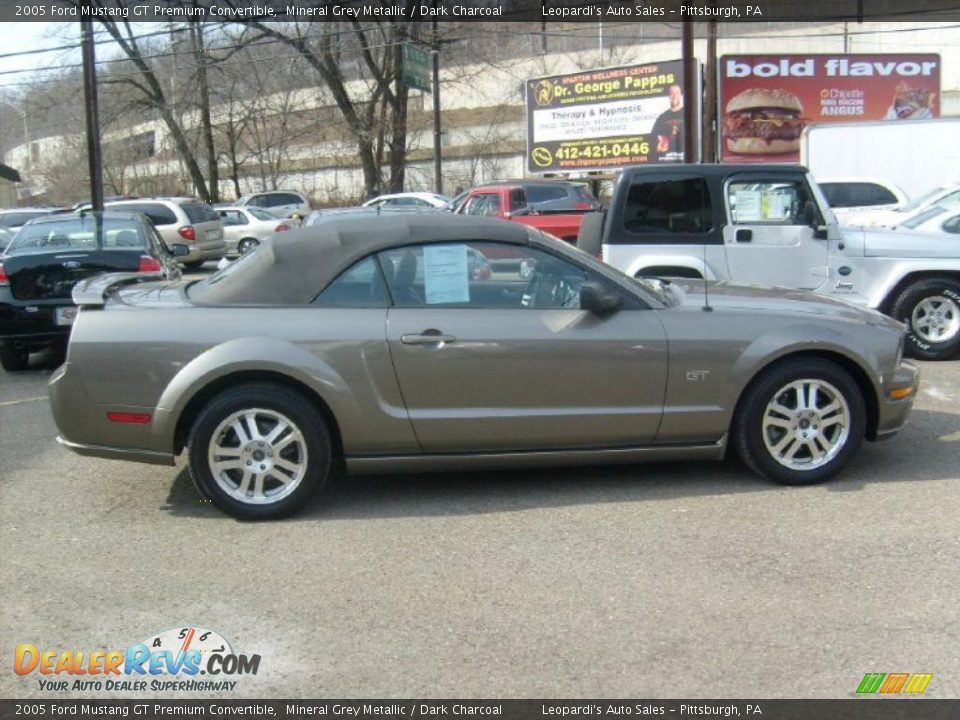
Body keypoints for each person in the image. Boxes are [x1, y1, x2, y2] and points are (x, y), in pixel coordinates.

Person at [652, 84, 685, 159]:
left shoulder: (688, 114)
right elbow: (654, 137)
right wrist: (657, 147)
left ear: (680, 95)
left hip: (685, 160)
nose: (674, 96)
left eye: (677, 93)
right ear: (669, 96)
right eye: (671, 93)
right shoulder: (662, 117)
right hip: (666, 160)